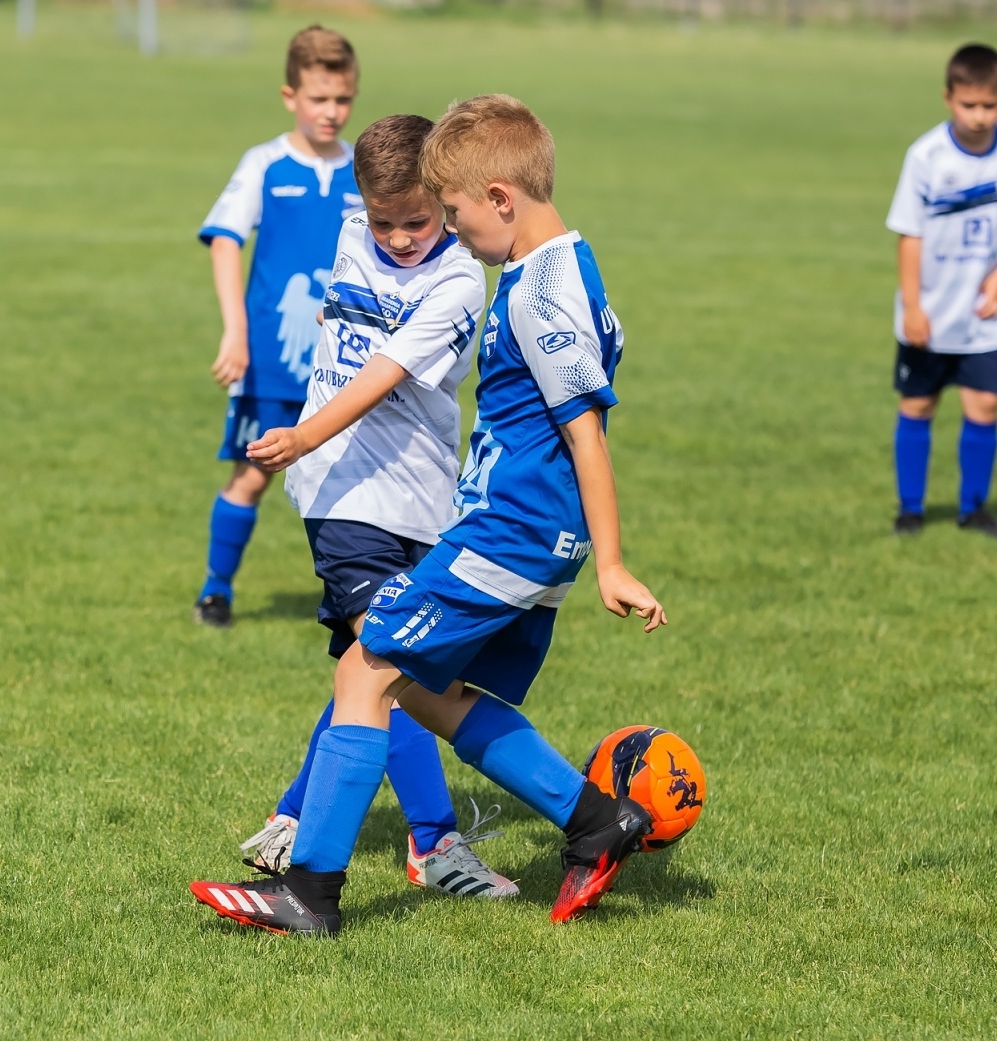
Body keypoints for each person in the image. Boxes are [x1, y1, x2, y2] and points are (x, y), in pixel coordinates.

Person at [192, 95, 667, 938]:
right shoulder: (563, 265)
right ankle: (596, 818)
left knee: (366, 669)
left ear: (499, 197)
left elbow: (586, 431)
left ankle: (313, 892)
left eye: (451, 213)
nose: (452, 232)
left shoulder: (539, 296)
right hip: (521, 530)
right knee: (422, 687)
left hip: (507, 529)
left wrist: (614, 560)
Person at [233, 114, 516, 899]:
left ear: (446, 204)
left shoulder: (460, 277)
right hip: (340, 495)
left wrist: (300, 429)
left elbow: (383, 376)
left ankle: (293, 817)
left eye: (417, 221)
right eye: (383, 219)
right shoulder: (353, 232)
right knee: (398, 658)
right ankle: (435, 842)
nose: (396, 237)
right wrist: (303, 441)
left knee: (370, 669)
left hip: (419, 499)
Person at [192, 25, 363, 626]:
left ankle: (357, 603)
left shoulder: (364, 170)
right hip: (271, 353)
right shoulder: (265, 164)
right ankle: (216, 589)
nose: (332, 112)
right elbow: (223, 241)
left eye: (342, 100)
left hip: (348, 363)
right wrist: (235, 332)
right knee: (254, 475)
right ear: (290, 95)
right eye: (319, 100)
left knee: (353, 482)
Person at [888, 43, 997, 539]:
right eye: (968, 105)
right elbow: (909, 235)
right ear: (947, 97)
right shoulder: (925, 155)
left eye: (990, 106)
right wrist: (913, 306)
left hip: (986, 310)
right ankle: (911, 511)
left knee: (985, 406)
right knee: (918, 405)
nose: (979, 116)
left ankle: (973, 509)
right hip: (930, 309)